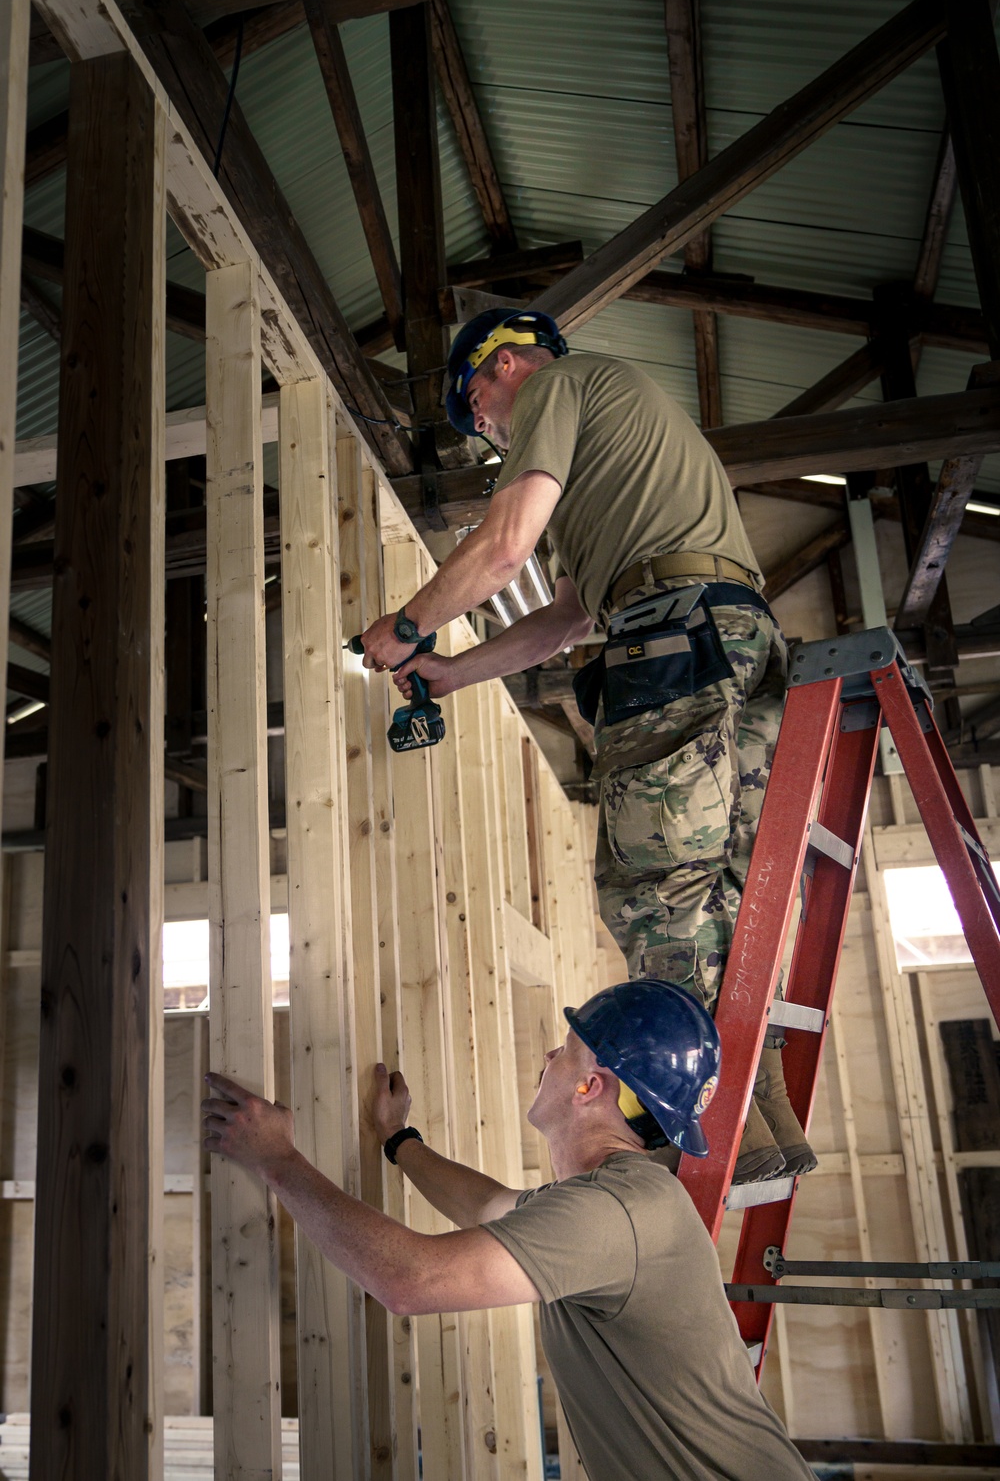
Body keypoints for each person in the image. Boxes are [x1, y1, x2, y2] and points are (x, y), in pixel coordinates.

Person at [359, 309, 813, 1183]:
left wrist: (407, 624)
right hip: (734, 637)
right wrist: (453, 671)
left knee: (657, 894)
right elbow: (568, 616)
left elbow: (502, 546)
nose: (486, 428)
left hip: (672, 635)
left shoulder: (560, 388)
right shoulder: (615, 446)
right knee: (733, 894)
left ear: (506, 365)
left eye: (477, 406)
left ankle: (721, 1127)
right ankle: (768, 1114)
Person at [202, 979, 813, 1481]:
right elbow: (489, 1205)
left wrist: (276, 1159)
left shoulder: (618, 1213)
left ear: (588, 1086)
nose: (548, 1058)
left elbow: (410, 1281)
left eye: (564, 1049)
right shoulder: (615, 1201)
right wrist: (400, 1141)